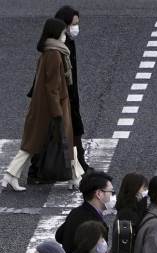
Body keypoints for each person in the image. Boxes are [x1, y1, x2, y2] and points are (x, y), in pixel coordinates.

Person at [2, 18, 84, 192]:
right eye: (63, 32)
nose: (65, 35)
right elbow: (52, 86)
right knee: (52, 142)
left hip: (44, 107)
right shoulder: (55, 54)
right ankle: (11, 175)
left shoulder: (49, 51)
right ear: (56, 34)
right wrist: (58, 112)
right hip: (52, 108)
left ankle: (75, 177)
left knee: (40, 143)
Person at [54, 6, 92, 171]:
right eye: (73, 24)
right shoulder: (59, 48)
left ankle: (78, 164)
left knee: (73, 129)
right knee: (69, 131)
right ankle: (78, 165)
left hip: (70, 96)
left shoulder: (68, 43)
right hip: (63, 97)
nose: (76, 28)